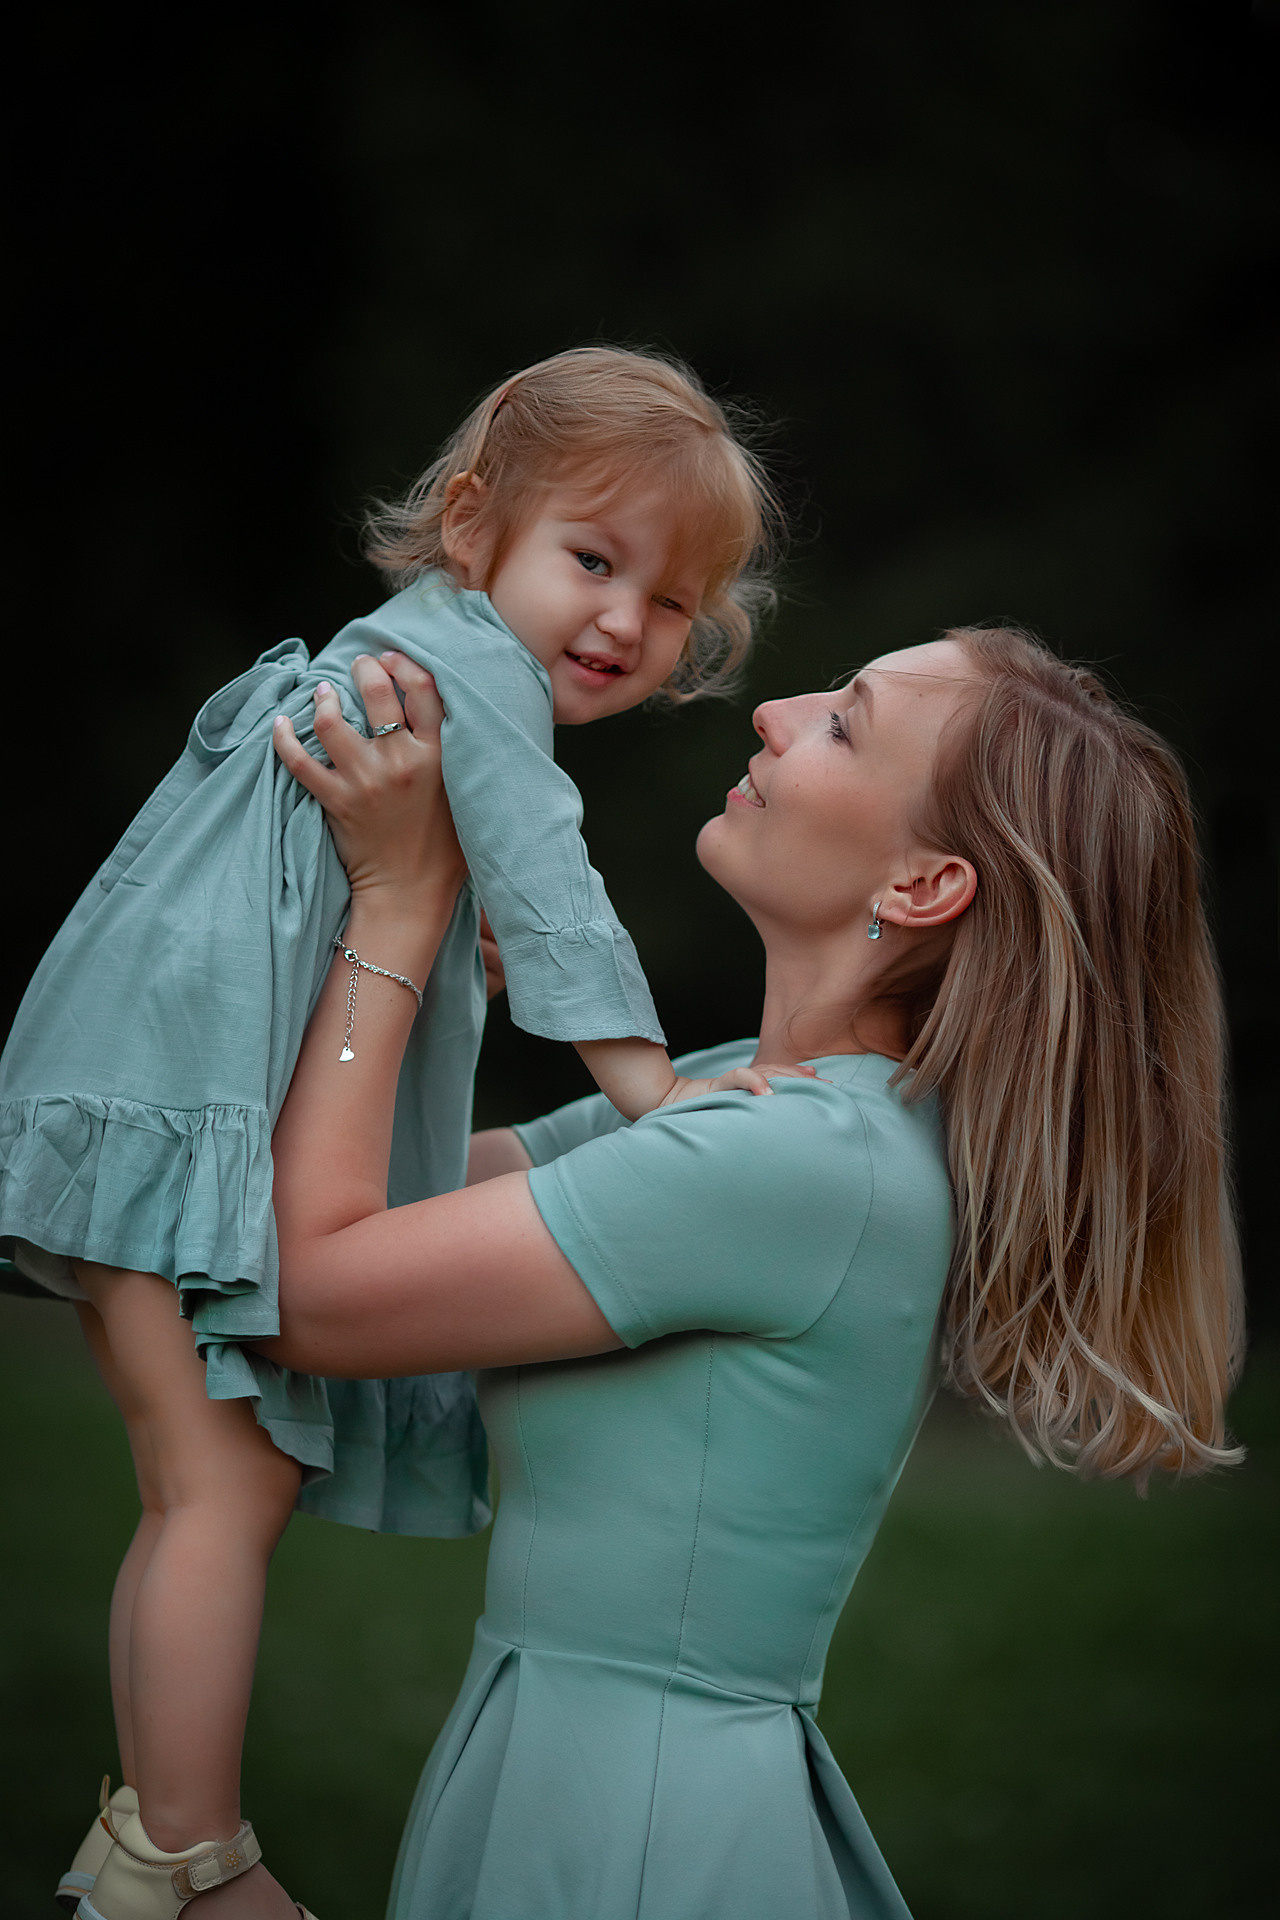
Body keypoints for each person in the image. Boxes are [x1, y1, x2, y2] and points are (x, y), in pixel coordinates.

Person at [251, 628, 1241, 1919]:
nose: (775, 709)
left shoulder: (796, 1161)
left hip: (643, 1830)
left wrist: (395, 907)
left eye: (846, 723)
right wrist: (434, 979)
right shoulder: (739, 1094)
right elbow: (390, 1203)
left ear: (928, 884)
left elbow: (305, 1289)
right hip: (574, 1774)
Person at [0, 348, 792, 1919]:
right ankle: (185, 1856)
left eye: (672, 599)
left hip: (144, 1086)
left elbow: (392, 890)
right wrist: (655, 1086)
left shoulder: (425, 663)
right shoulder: (470, 680)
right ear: (472, 524)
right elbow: (550, 875)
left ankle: (147, 1846)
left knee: (204, 1486)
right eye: (594, 559)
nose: (628, 622)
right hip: (180, 1103)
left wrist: (460, 940)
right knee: (221, 1491)